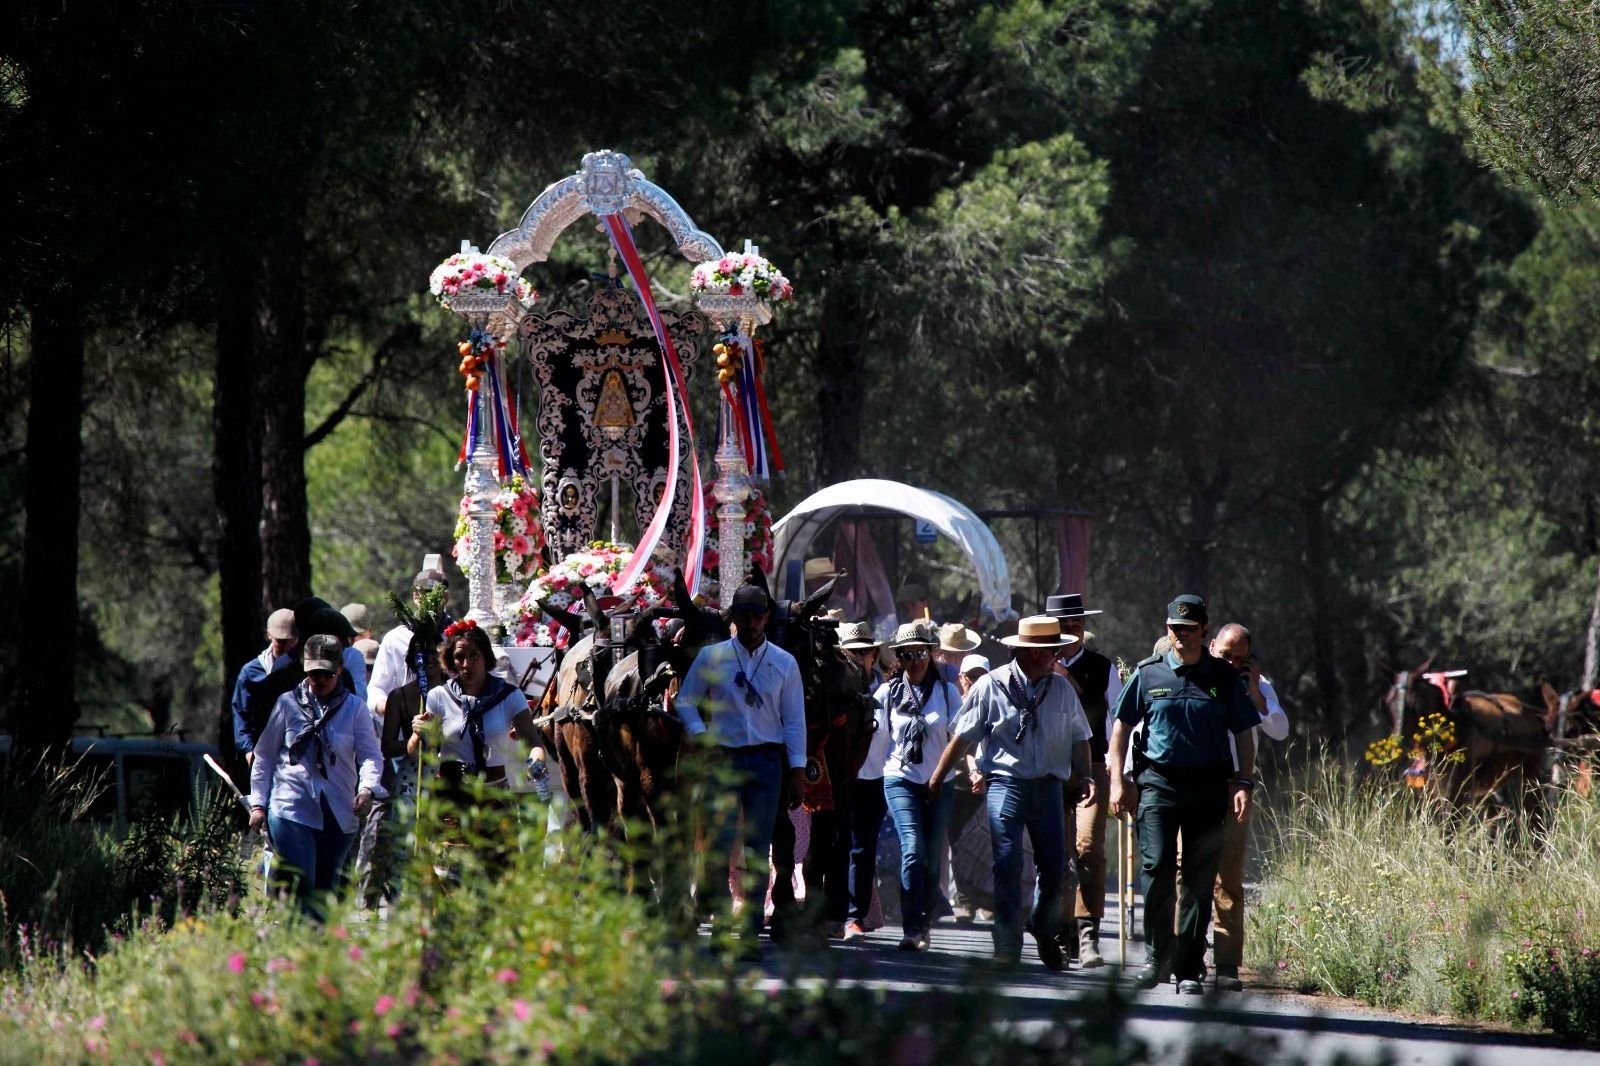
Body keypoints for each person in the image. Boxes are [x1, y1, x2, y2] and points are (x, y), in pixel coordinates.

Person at [1107, 595, 1265, 994]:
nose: (1181, 636)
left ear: (1204, 631)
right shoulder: (1147, 674)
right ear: (1167, 630)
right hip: (1158, 785)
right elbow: (1121, 729)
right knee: (1157, 868)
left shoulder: (1223, 679)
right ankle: (1157, 957)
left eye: (1189, 629)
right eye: (1175, 629)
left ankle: (1190, 968)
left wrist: (1244, 782)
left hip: (1208, 785)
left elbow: (1244, 733)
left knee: (1198, 879)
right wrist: (1117, 780)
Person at [928, 616, 1093, 969]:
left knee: (1054, 867)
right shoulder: (991, 686)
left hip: (1048, 787)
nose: (1057, 656)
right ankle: (1006, 943)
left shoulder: (1061, 689)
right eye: (1052, 650)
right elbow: (963, 736)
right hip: (1006, 784)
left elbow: (1080, 737)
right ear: (1031, 652)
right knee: (1007, 862)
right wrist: (937, 776)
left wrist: (1087, 777)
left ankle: (1042, 924)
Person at [675, 583, 807, 949]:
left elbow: (795, 720)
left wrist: (797, 771)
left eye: (757, 616)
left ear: (766, 618)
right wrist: (702, 737)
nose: (751, 622)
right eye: (744, 616)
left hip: (767, 762)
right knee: (717, 849)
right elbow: (685, 702)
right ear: (732, 618)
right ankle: (720, 927)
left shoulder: (784, 662)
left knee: (755, 849)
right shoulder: (712, 657)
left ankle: (748, 934)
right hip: (723, 760)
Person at [248, 634, 386, 916]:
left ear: (339, 671)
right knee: (302, 888)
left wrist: (367, 789)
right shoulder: (287, 704)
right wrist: (259, 804)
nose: (320, 680)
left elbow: (371, 755)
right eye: (313, 673)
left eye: (327, 673)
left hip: (338, 811)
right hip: (291, 807)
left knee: (325, 896)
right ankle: (296, 950)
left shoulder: (354, 709)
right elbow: (265, 755)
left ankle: (315, 953)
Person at [1205, 622, 1290, 991]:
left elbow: (1280, 730)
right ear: (1211, 648)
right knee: (1183, 873)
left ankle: (1226, 962)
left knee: (1229, 877)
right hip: (1193, 782)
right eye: (1226, 656)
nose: (1232, 663)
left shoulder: (1254, 684)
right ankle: (1182, 954)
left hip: (1237, 786)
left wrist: (1255, 693)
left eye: (1240, 658)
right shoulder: (1192, 675)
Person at [1044, 592, 1121, 969]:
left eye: (1077, 623)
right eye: (1064, 624)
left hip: (1091, 767)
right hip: (1048, 770)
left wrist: (1119, 771)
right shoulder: (1034, 664)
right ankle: (1062, 933)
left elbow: (1120, 723)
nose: (1071, 629)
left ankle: (1089, 934)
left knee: (1089, 849)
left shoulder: (1103, 668)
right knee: (1056, 856)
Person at [875, 622, 961, 951]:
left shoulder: (947, 692)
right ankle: (911, 928)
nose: (916, 660)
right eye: (908, 654)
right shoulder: (888, 693)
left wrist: (956, 769)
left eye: (922, 653)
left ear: (932, 653)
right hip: (900, 778)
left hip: (941, 781)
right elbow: (877, 740)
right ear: (899, 657)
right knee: (913, 850)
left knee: (932, 859)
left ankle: (924, 919)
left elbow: (959, 736)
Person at [408, 620, 545, 825]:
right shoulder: (438, 696)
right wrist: (419, 733)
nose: (466, 664)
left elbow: (533, 742)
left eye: (474, 655)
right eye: (459, 657)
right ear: (450, 660)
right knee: (450, 857)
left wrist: (536, 762)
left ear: (486, 657)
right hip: (450, 800)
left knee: (496, 857)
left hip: (495, 800)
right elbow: (418, 754)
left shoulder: (509, 695)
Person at [838, 622, 887, 939]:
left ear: (874, 654)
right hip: (842, 774)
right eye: (852, 652)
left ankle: (856, 914)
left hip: (876, 776)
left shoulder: (888, 689)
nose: (859, 657)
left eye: (864, 651)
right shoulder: (836, 689)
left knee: (864, 847)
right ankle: (837, 912)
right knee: (840, 844)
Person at [946, 653, 994, 923]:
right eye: (970, 677)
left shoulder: (995, 703)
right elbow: (958, 743)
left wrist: (982, 772)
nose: (975, 682)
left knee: (989, 842)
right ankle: (964, 900)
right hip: (959, 784)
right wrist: (973, 770)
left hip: (989, 784)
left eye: (981, 677)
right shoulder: (955, 704)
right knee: (959, 843)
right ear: (961, 679)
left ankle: (987, 900)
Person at [231, 607, 298, 765]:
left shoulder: (299, 672)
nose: (282, 644)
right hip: (258, 751)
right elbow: (241, 714)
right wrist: (248, 751)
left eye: (287, 640)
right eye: (278, 640)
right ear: (269, 635)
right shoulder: (251, 672)